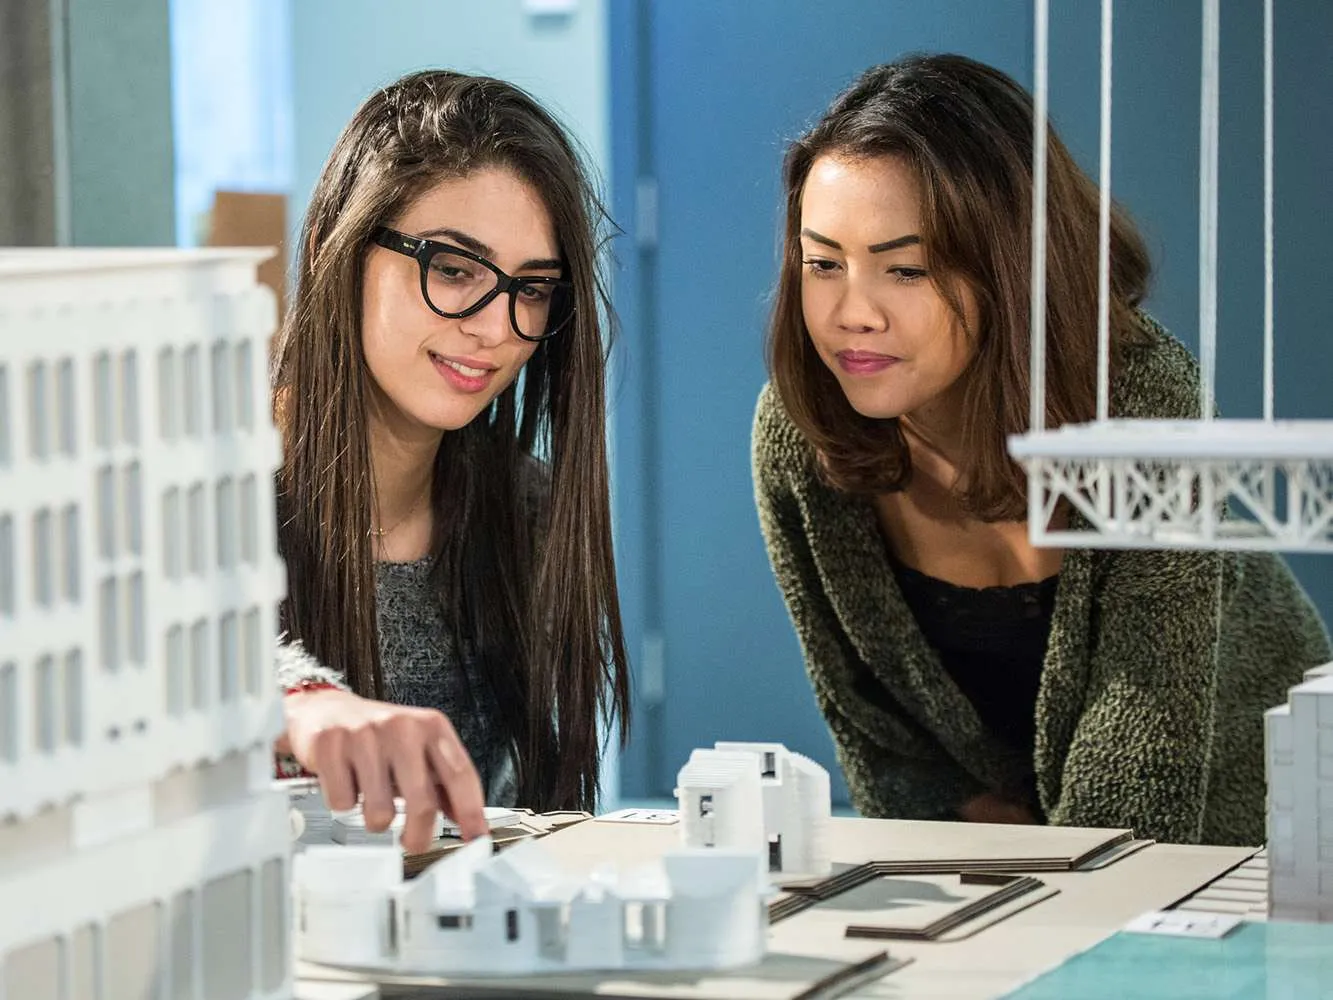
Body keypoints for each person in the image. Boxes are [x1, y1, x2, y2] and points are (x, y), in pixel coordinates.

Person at [752, 53, 1330, 846]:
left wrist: (1044, 868)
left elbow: (1146, 756)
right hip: (1017, 862)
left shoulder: (1140, 401)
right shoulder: (798, 429)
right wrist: (975, 843)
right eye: (823, 264)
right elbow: (866, 721)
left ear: (1009, 270)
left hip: (1259, 830)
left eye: (906, 269)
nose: (851, 312)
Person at [271, 70, 630, 853]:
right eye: (455, 269)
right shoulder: (210, 485)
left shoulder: (526, 511)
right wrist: (296, 703)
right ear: (347, 250)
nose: (497, 326)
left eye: (531, 289)